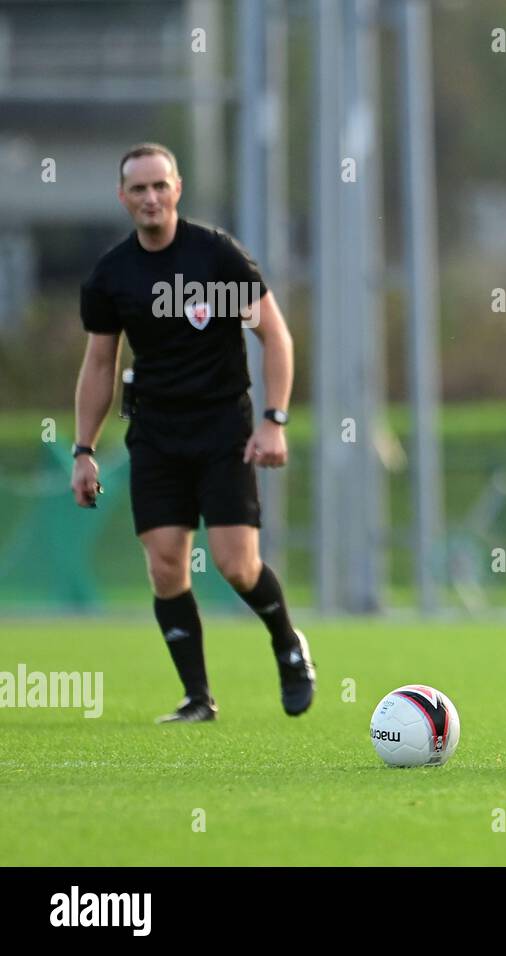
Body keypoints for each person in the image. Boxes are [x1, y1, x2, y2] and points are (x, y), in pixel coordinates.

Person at [72, 142, 315, 723]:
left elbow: (275, 338)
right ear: (123, 198)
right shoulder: (112, 275)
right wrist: (83, 449)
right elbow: (100, 365)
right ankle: (198, 698)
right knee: (164, 565)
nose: (151, 197)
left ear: (178, 188)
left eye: (160, 185)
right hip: (155, 434)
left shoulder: (217, 257)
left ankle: (288, 644)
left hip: (222, 431)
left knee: (237, 566)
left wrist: (274, 421)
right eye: (139, 189)